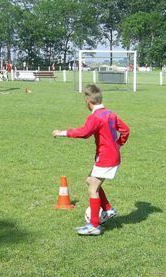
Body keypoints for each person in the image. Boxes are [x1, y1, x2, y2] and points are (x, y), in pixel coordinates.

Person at [52, 84, 130, 236]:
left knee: (92, 188)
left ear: (88, 101)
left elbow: (84, 132)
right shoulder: (110, 113)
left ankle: (94, 225)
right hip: (110, 155)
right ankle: (107, 209)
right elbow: (126, 130)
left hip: (106, 157)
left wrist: (62, 132)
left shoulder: (95, 117)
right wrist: (118, 144)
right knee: (90, 181)